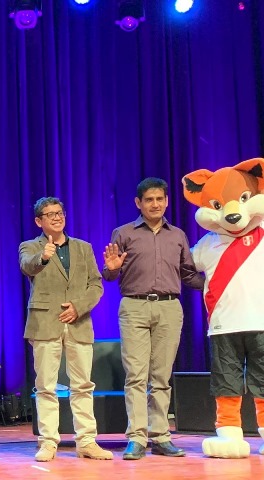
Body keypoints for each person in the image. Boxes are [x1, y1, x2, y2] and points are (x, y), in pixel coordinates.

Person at [102, 177, 204, 460]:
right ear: (139, 203)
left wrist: (218, 284)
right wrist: (112, 268)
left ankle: (160, 436)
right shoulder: (124, 233)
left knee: (161, 377)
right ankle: (137, 438)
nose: (155, 204)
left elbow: (188, 275)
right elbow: (110, 274)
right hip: (134, 307)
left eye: (160, 199)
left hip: (169, 308)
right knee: (136, 376)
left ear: (167, 201)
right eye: (149, 200)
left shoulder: (178, 235)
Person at [19, 197, 113, 462]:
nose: (56, 217)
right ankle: (48, 442)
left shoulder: (83, 247)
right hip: (45, 322)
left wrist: (78, 307)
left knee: (83, 385)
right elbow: (27, 265)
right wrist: (43, 257)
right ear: (39, 221)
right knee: (46, 386)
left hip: (78, 322)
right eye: (50, 214)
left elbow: (96, 284)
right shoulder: (30, 246)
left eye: (59, 212)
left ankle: (87, 441)